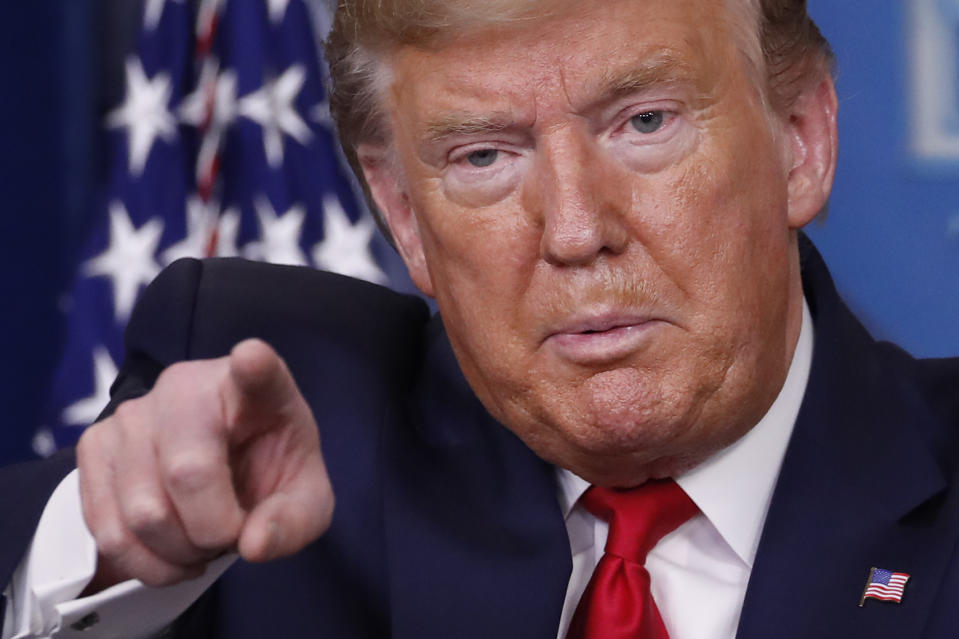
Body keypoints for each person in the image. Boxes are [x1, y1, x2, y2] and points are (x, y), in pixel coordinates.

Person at [3, 0, 959, 637]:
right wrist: (98, 551)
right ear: (404, 216)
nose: (577, 230)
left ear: (801, 143)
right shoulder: (289, 425)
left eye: (645, 122)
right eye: (482, 157)